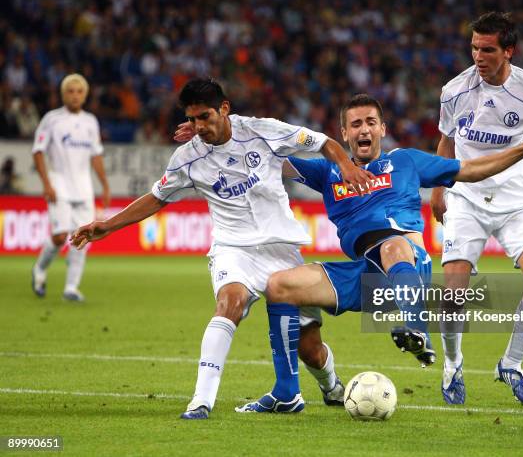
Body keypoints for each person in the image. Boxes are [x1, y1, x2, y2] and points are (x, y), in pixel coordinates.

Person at [70, 77, 375, 419]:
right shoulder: (187, 157)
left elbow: (324, 142)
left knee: (311, 350)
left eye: (205, 117)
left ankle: (331, 385)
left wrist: (346, 165)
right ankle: (201, 401)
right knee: (230, 301)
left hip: (281, 250)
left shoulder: (264, 131)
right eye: (193, 119)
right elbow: (157, 198)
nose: (199, 126)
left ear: (225, 108)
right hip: (233, 248)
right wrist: (106, 225)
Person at [237, 93, 523, 412]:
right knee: (278, 285)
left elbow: (472, 169)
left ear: (383, 129)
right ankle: (286, 394)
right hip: (366, 278)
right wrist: (229, 136)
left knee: (392, 244)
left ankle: (417, 329)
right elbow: (270, 161)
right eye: (356, 124)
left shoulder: (405, 161)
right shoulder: (328, 173)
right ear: (344, 134)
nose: (364, 130)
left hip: (409, 267)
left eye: (371, 123)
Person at [430, 12, 523, 406]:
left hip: (516, 201)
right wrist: (437, 190)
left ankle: (513, 363)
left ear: (508, 51)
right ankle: (452, 365)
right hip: (466, 197)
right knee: (453, 294)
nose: (478, 56)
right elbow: (446, 142)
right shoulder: (454, 90)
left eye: (487, 49)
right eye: (473, 47)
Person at [31, 73, 110, 302]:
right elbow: (38, 151)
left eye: (79, 92)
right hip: (59, 185)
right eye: (70, 91)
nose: (74, 96)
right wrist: (47, 183)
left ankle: (71, 288)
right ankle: (39, 269)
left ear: (84, 95)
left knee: (84, 237)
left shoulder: (90, 122)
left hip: (84, 188)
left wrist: (104, 185)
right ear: (63, 94)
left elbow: (96, 156)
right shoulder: (51, 119)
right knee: (59, 236)